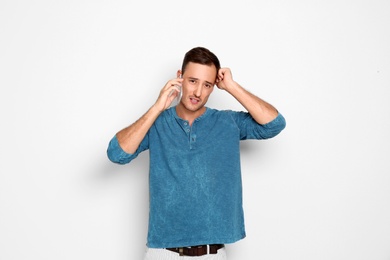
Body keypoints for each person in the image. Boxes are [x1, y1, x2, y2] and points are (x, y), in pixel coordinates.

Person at [107, 47, 286, 260]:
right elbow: (117, 154)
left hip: (211, 253)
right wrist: (157, 108)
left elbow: (274, 124)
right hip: (162, 252)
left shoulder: (228, 122)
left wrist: (231, 86)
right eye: (193, 81)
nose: (198, 92)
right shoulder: (157, 124)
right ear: (179, 78)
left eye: (207, 85)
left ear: (214, 87)